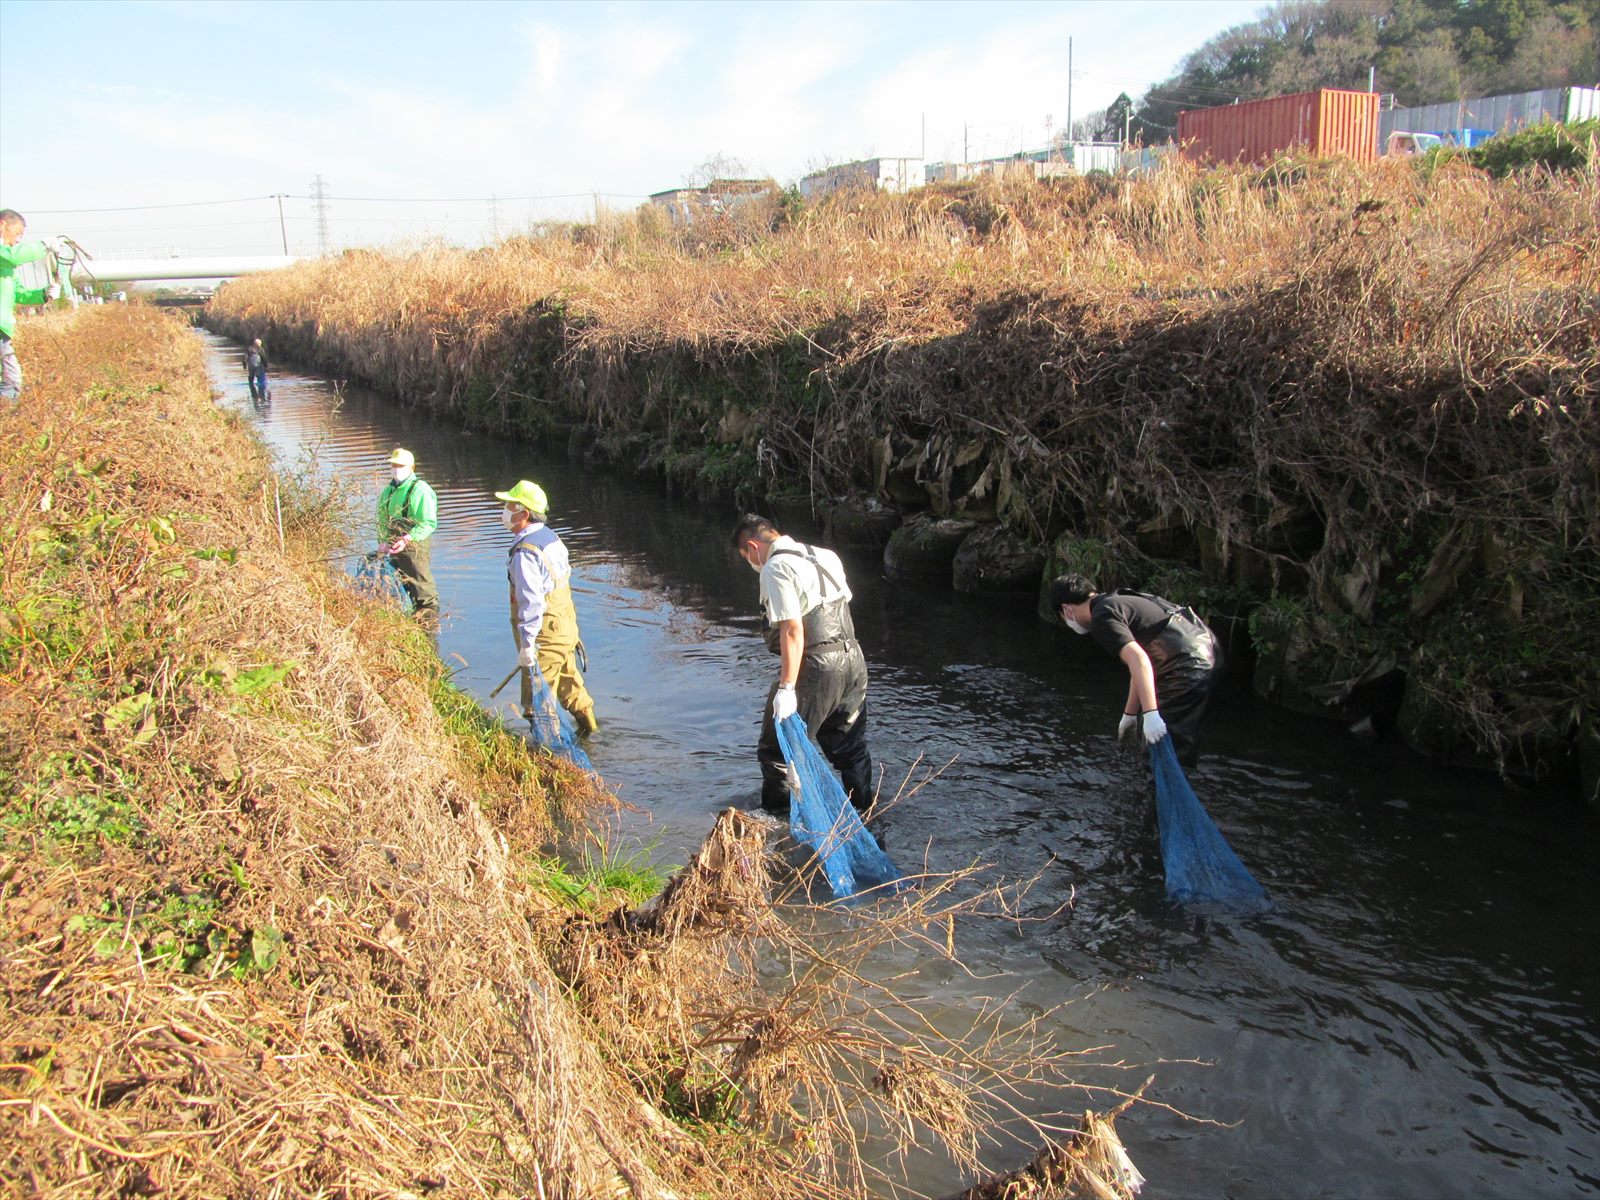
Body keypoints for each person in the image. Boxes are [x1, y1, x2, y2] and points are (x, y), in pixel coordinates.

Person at [732, 514, 874, 812]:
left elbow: (792, 630)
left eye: (748, 557)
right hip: (854, 659)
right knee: (850, 749)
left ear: (753, 547)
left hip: (817, 665)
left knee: (777, 752)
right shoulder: (826, 556)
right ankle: (867, 816)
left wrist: (786, 688)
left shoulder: (775, 567)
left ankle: (778, 829)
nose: (752, 564)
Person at [1049, 573, 1222, 766]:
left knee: (1158, 749)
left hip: (1184, 666)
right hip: (1204, 651)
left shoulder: (1102, 617)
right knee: (1174, 745)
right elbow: (1139, 665)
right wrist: (1129, 715)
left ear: (1066, 610)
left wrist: (1151, 714)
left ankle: (1163, 792)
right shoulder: (1116, 599)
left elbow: (1139, 659)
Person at [496, 479, 599, 735]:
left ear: (524, 513)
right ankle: (592, 735)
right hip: (565, 628)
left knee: (537, 703)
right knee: (571, 688)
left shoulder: (525, 553)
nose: (505, 511)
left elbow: (531, 602)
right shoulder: (551, 537)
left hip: (544, 635)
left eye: (510, 505)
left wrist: (528, 645)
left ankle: (551, 757)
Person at [0, 209, 57, 403]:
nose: (17, 240)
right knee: (10, 379)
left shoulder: (6, 264)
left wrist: (43, 294)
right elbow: (14, 255)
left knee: (9, 376)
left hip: (3, 328)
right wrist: (42, 247)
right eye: (17, 234)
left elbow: (19, 293)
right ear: (1, 225)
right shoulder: (4, 254)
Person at [376, 448, 439, 616]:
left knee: (421, 588)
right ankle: (408, 619)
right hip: (391, 545)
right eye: (394, 465)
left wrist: (407, 538)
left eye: (400, 465)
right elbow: (382, 518)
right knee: (398, 585)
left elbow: (428, 523)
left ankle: (428, 624)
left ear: (412, 467)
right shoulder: (388, 491)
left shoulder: (420, 490)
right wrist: (383, 540)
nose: (396, 468)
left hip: (414, 545)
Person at [244, 337, 270, 402]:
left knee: (251, 378)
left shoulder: (249, 349)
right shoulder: (261, 350)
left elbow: (245, 359)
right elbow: (264, 359)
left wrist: (244, 367)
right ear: (260, 344)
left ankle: (253, 393)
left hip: (251, 366)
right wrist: (266, 366)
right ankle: (261, 393)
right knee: (260, 379)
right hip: (259, 366)